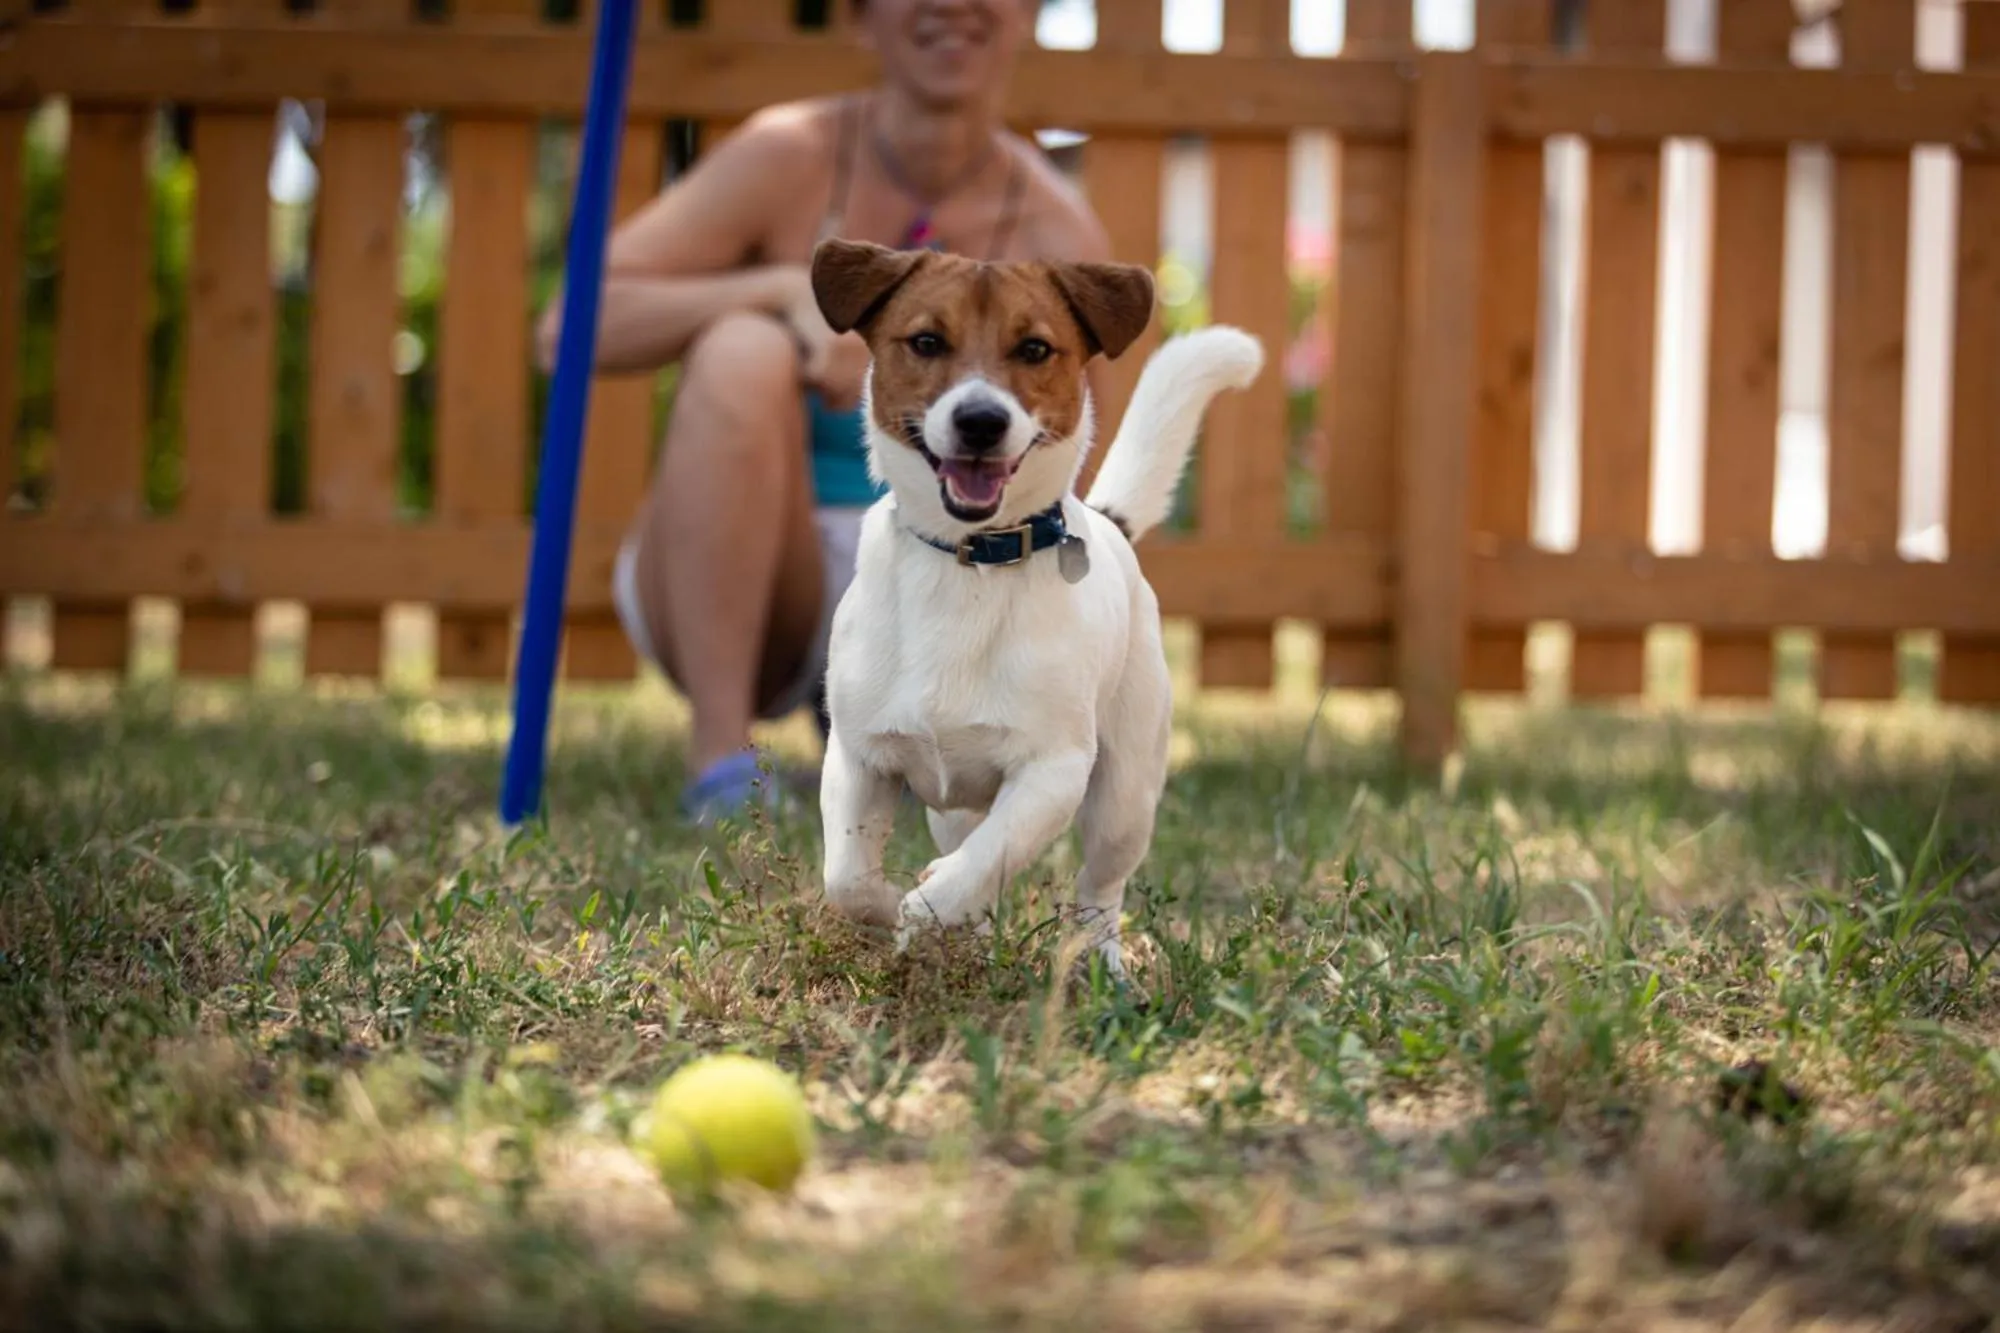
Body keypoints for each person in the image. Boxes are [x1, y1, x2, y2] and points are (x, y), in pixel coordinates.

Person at [536, 0, 1125, 825]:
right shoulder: (788, 154)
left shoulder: (1056, 227)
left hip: (942, 605)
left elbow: (1098, 488)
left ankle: (956, 757)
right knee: (742, 348)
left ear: (1027, 13)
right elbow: (567, 326)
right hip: (753, 580)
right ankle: (720, 762)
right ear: (858, 15)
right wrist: (782, 293)